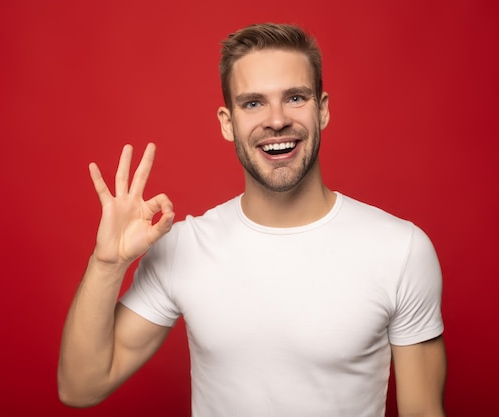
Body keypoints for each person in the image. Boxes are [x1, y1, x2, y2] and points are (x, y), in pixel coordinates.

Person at [57, 23, 447, 416]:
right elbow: (81, 386)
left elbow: (423, 410)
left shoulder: (400, 250)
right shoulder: (183, 247)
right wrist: (107, 264)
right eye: (253, 103)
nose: (276, 120)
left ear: (322, 109)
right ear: (228, 122)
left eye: (295, 97)